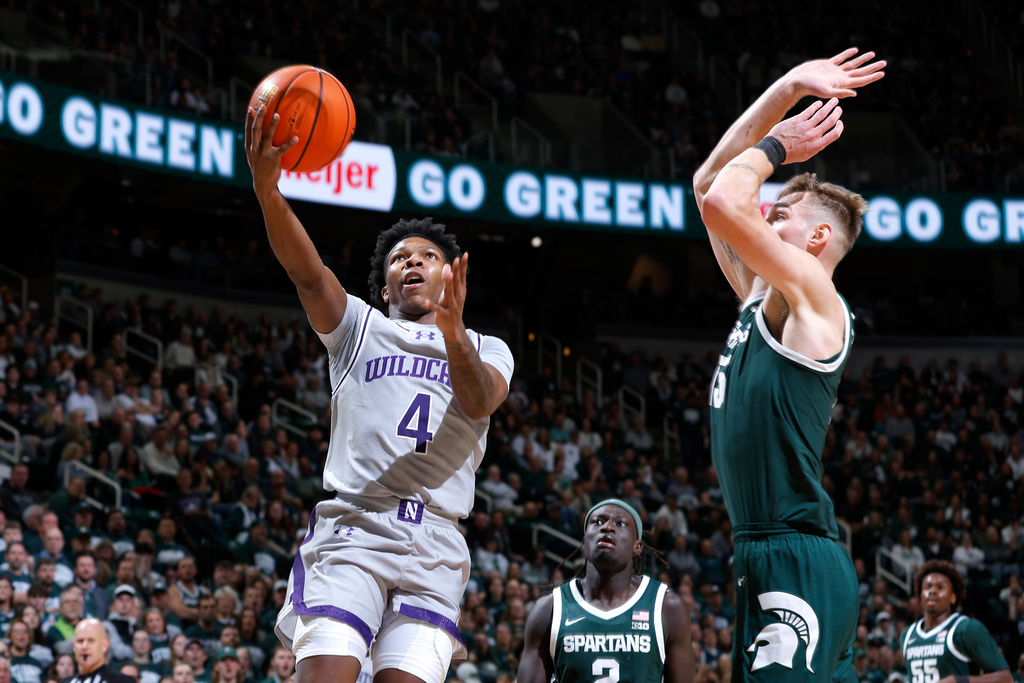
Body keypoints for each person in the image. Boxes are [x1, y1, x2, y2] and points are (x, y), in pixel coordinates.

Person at [245, 102, 514, 683]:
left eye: (428, 256)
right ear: (386, 282)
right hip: (357, 527)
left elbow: (479, 401)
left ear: (450, 274)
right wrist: (271, 197)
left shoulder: (487, 347)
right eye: (398, 258)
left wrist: (450, 331)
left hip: (436, 543)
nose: (412, 261)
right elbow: (309, 275)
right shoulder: (359, 329)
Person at [692, 48, 885, 682]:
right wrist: (787, 87)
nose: (764, 217)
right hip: (767, 549)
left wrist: (777, 147)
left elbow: (725, 199)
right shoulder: (761, 294)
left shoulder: (814, 295)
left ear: (818, 239)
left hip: (795, 552)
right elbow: (708, 185)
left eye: (780, 215)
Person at [517, 499, 694, 683]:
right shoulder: (549, 610)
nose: (608, 527)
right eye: (598, 522)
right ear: (584, 542)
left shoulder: (667, 608)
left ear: (638, 546)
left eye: (620, 524)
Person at [898, 560, 1011, 683]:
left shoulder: (967, 629)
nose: (932, 591)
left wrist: (959, 681)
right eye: (927, 587)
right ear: (920, 595)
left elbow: (1006, 679)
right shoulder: (907, 635)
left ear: (953, 597)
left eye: (940, 587)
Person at [59, 618, 135, 683]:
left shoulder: (122, 681)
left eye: (91, 641)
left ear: (104, 645)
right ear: (74, 646)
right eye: (80, 641)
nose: (84, 646)